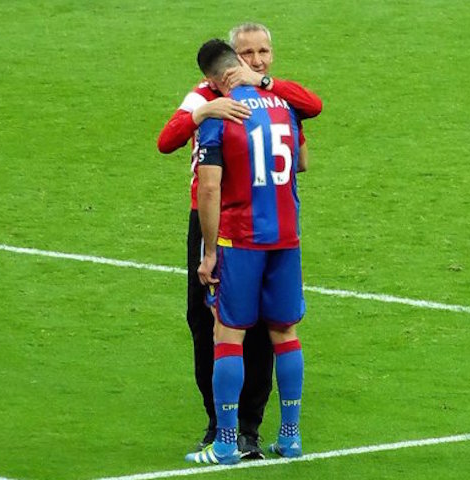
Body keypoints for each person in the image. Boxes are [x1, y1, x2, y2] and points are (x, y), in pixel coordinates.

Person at [157, 23, 322, 459]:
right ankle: (278, 434)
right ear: (232, 61)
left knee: (227, 329)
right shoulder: (222, 101)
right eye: (248, 53)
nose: (257, 61)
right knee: (269, 327)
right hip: (280, 230)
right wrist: (201, 114)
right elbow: (167, 139)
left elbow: (211, 186)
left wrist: (211, 250)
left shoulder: (254, 100)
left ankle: (234, 436)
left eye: (264, 52)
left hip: (234, 230)